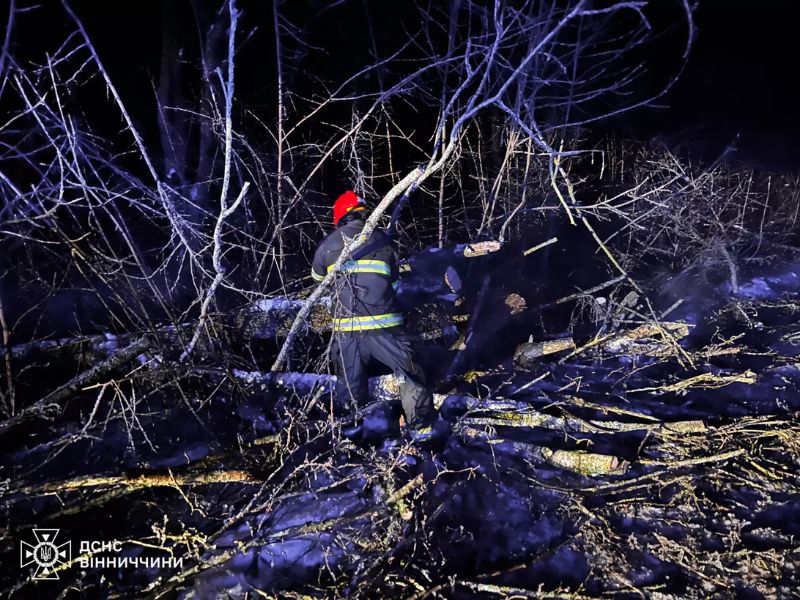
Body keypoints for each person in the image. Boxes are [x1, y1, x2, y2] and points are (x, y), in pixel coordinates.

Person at [311, 190, 439, 439]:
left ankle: (350, 435)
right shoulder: (383, 242)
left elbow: (318, 280)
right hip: (386, 328)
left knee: (349, 384)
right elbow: (394, 286)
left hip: (347, 332)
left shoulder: (329, 245)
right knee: (410, 375)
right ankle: (423, 432)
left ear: (339, 217)